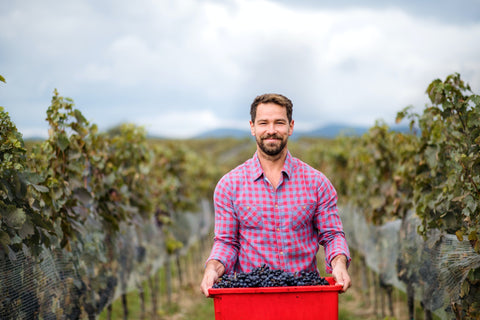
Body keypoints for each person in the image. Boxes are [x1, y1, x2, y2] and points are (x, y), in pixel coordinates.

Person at [200, 93, 351, 297]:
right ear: (252, 127)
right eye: (263, 123)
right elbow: (226, 242)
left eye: (279, 122)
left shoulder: (317, 183)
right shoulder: (229, 186)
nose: (271, 130)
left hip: (304, 295)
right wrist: (212, 268)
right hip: (251, 298)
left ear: (291, 126)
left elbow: (332, 235)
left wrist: (339, 264)